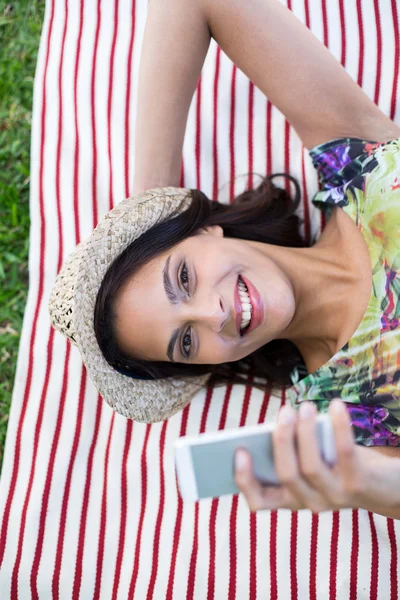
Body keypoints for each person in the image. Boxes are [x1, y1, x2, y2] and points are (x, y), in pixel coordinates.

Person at [49, 0, 400, 518]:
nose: (214, 313)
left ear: (206, 229)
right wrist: (369, 486)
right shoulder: (343, 421)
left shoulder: (357, 169)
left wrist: (153, 209)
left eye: (184, 277)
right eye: (187, 341)